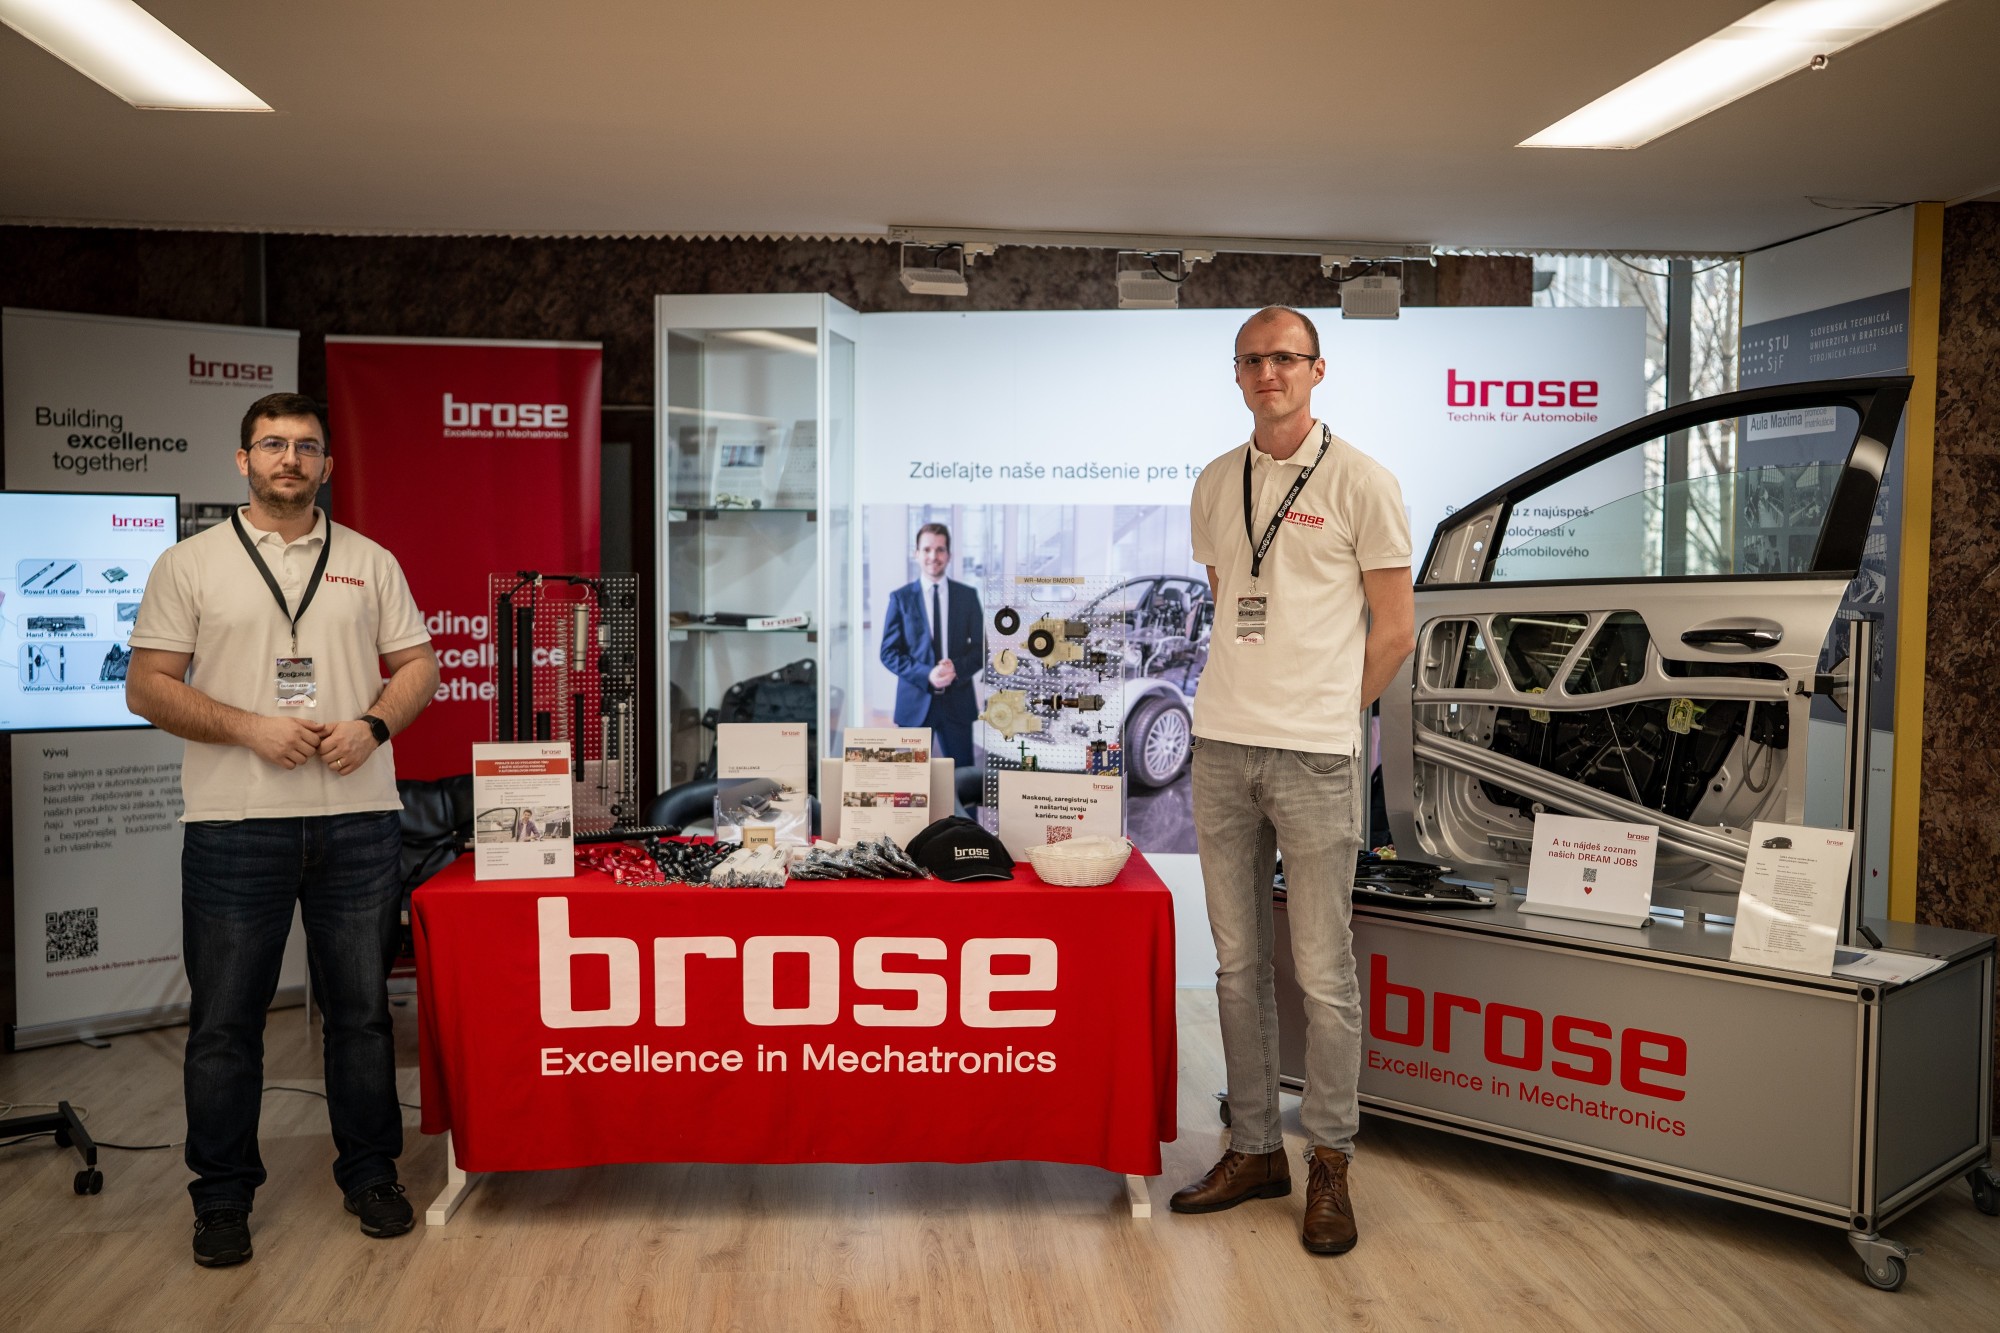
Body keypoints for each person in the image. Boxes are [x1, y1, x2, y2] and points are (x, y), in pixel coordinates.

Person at [126, 391, 440, 1268]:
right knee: (226, 1023)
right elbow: (147, 684)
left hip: (358, 820)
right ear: (244, 460)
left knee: (362, 1015)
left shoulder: (369, 560)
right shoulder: (190, 563)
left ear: (327, 464)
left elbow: (418, 665)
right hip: (236, 824)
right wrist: (250, 728)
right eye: (272, 444)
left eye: (305, 446)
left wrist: (373, 724)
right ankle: (222, 1197)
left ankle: (371, 1173)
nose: (289, 459)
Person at [1170, 307, 1415, 1256]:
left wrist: (1331, 713)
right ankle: (1254, 1148)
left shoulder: (1363, 481)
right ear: (1236, 376)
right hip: (1223, 747)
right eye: (1252, 360)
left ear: (1318, 369)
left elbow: (1395, 628)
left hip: (1315, 755)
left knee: (1322, 970)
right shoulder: (1214, 480)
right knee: (1237, 968)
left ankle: (1330, 1162)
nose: (1268, 372)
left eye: (1285, 358)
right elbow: (1229, 598)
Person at [879, 522, 985, 766]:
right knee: (910, 780)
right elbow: (888, 652)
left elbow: (982, 649)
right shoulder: (901, 598)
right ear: (916, 554)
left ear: (949, 555)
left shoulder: (967, 596)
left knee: (962, 780)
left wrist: (956, 668)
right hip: (915, 703)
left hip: (957, 703)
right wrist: (927, 673)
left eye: (940, 550)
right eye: (927, 549)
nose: (933, 556)